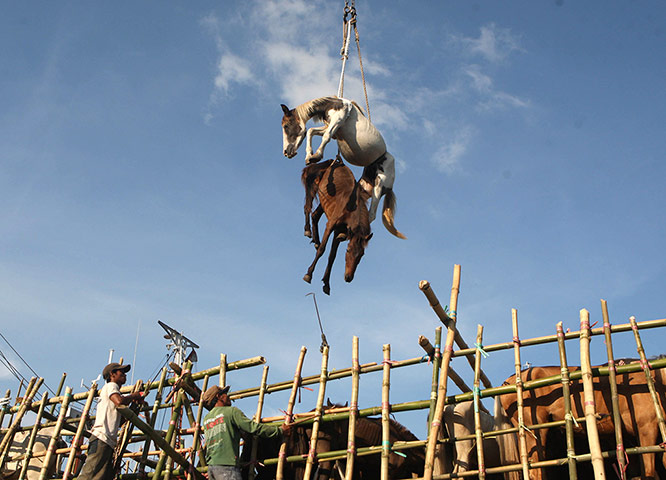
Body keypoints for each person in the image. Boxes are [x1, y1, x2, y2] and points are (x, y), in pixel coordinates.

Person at [201, 385, 291, 480]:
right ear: (218, 397)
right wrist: (280, 431)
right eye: (225, 394)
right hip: (227, 466)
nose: (228, 396)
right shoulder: (231, 412)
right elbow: (253, 428)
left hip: (212, 469)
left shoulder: (207, 419)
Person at [77, 362, 145, 480]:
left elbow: (118, 422)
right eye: (122, 372)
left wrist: (132, 408)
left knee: (100, 477)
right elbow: (119, 401)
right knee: (88, 475)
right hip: (101, 438)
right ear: (112, 374)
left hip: (107, 442)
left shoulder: (113, 391)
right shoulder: (111, 386)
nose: (124, 375)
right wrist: (134, 395)